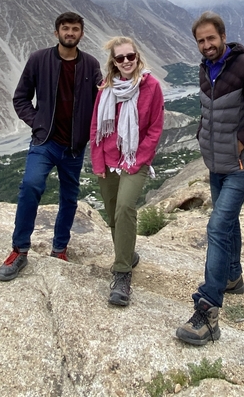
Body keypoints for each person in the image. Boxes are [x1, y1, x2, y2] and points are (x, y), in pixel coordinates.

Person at [176, 11, 244, 345]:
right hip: (215, 164)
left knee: (218, 227)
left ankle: (208, 312)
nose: (206, 45)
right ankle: (232, 277)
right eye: (201, 41)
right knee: (228, 222)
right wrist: (202, 136)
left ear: (223, 36)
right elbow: (209, 112)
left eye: (211, 38)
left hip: (241, 164)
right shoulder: (205, 70)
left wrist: (240, 142)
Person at [0, 12, 102, 281]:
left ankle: (60, 249)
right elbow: (20, 98)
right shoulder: (39, 59)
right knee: (31, 186)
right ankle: (19, 250)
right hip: (45, 142)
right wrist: (38, 123)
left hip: (74, 147)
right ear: (56, 33)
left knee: (68, 198)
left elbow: (101, 101)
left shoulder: (90, 65)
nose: (70, 33)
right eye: (65, 29)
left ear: (81, 33)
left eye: (75, 29)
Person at [90, 36, 165, 306]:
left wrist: (138, 160)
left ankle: (122, 273)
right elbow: (97, 128)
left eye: (130, 57)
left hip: (135, 160)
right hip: (108, 159)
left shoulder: (152, 86)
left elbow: (155, 128)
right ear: (113, 62)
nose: (126, 62)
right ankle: (128, 253)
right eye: (120, 58)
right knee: (112, 214)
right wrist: (98, 162)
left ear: (137, 57)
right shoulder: (106, 89)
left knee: (124, 207)